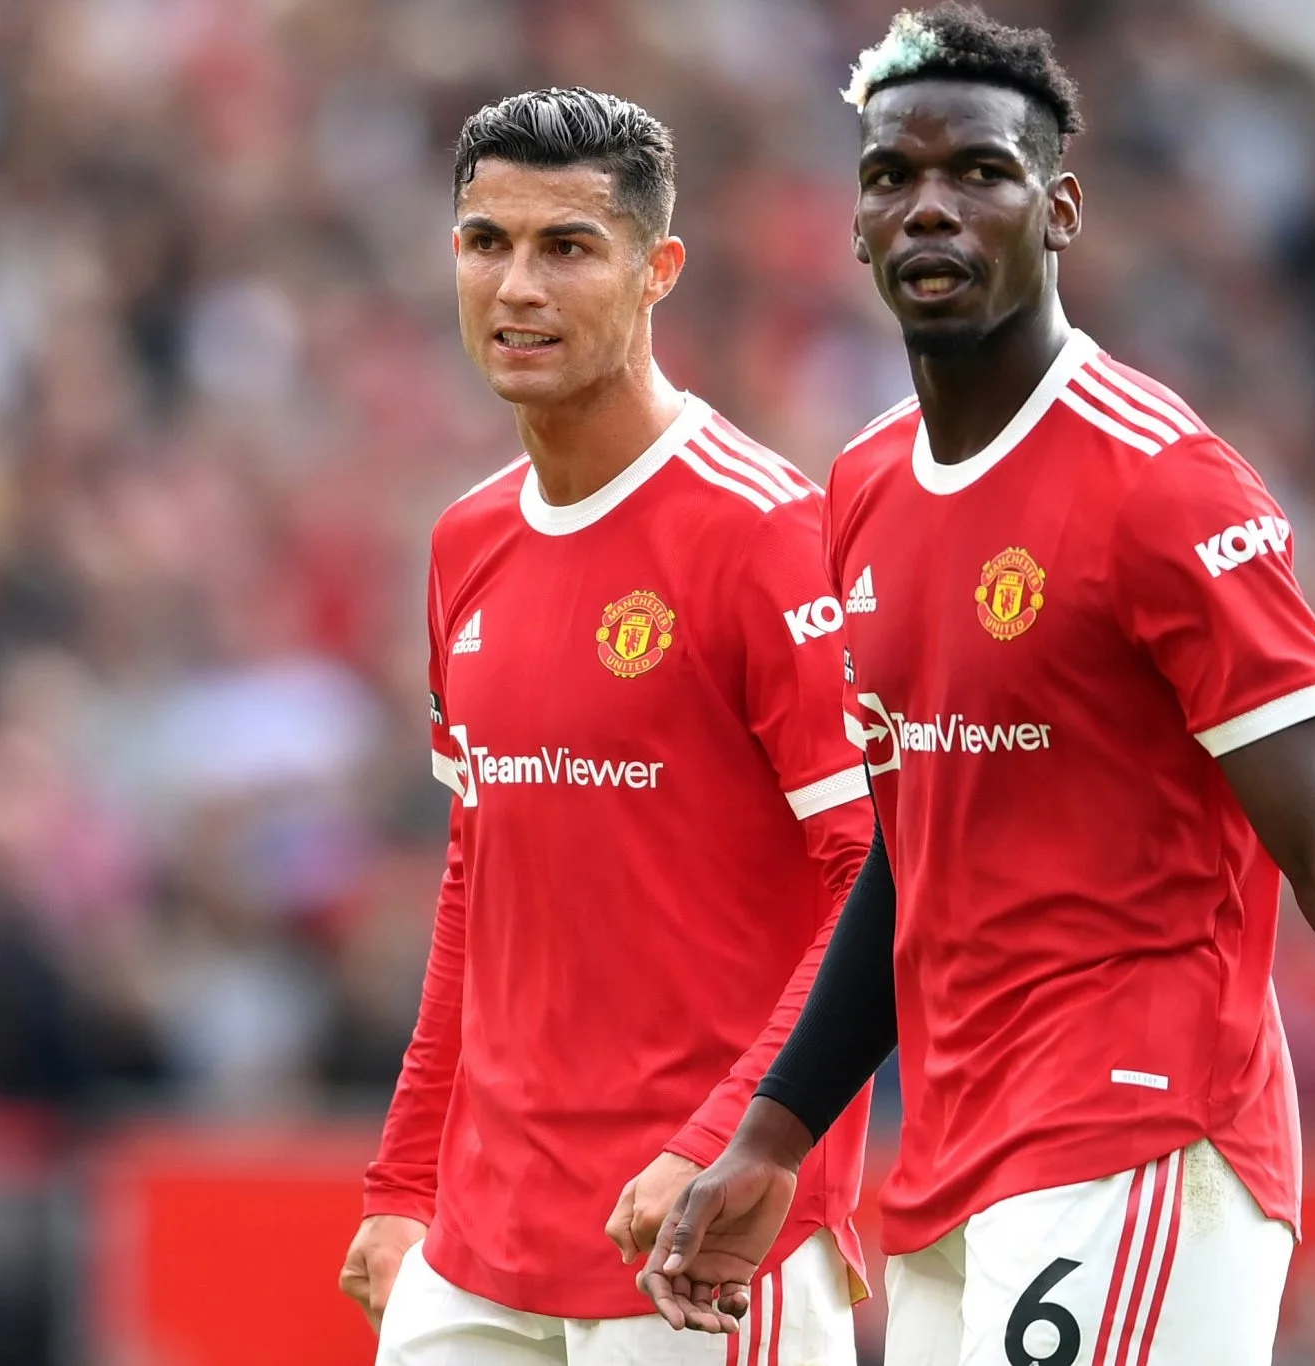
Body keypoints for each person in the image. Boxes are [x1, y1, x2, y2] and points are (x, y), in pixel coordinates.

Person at [639, 10, 1315, 1366]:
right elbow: (916, 849)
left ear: (1061, 208)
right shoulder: (862, 487)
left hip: (1143, 1129)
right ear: (856, 224)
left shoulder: (1159, 483)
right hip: (954, 1156)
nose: (931, 206)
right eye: (892, 177)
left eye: (980, 172)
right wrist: (774, 1132)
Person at [338, 87, 874, 1366]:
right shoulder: (466, 542)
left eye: (567, 247)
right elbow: (476, 877)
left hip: (696, 1239)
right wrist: (403, 1179)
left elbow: (878, 876)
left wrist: (731, 1136)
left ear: (656, 271)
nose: (517, 285)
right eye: (487, 242)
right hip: (478, 1246)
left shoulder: (766, 536)